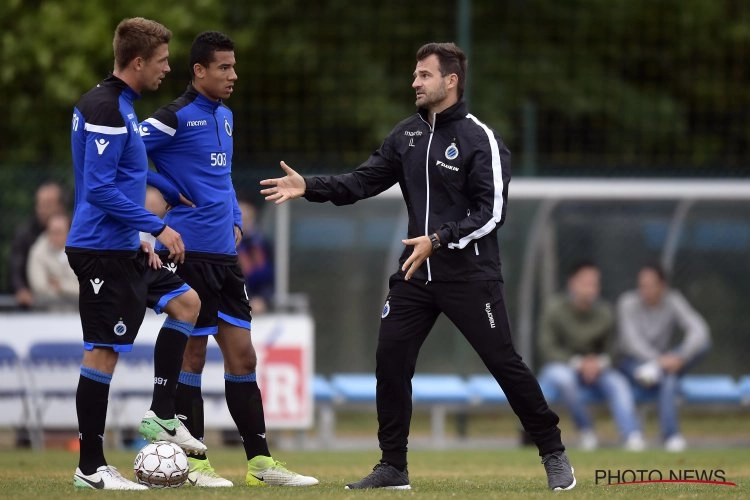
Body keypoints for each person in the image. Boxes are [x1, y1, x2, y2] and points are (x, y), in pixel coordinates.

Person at [260, 42, 576, 491]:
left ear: (451, 81)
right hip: (415, 274)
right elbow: (361, 181)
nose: (415, 82)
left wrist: (439, 239)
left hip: (470, 276)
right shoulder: (406, 135)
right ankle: (393, 466)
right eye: (415, 74)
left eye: (424, 75)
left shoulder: (479, 139)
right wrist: (308, 185)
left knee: (504, 363)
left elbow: (491, 213)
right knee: (390, 360)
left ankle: (553, 452)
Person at [141, 31, 318, 488]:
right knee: (194, 355)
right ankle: (195, 463)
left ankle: (260, 464)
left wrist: (236, 215)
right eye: (224, 67)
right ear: (199, 71)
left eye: (234, 66)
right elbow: (123, 156)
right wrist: (163, 193)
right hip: (190, 252)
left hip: (225, 255)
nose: (233, 75)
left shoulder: (227, 116)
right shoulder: (173, 116)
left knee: (243, 356)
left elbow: (220, 177)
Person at [67, 17, 206, 490]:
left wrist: (168, 192)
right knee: (103, 353)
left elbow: (128, 171)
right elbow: (101, 190)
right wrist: (158, 226)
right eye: (164, 61)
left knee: (187, 303)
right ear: (139, 61)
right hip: (100, 249)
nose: (168, 69)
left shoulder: (120, 104)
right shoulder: (105, 107)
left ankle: (162, 415)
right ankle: (91, 467)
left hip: (126, 246)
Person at [537, 261, 644, 451]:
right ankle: (587, 431)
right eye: (586, 283)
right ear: (572, 283)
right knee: (564, 379)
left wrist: (599, 364)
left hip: (598, 369)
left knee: (618, 384)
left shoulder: (605, 312)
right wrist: (578, 363)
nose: (591, 289)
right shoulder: (555, 308)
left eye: (595, 283)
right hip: (563, 366)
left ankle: (632, 434)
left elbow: (614, 349)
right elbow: (548, 346)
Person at [616, 263, 711, 452]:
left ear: (663, 286)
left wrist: (680, 356)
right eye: (642, 285)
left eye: (650, 285)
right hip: (632, 362)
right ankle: (670, 435)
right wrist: (660, 360)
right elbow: (630, 343)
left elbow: (700, 331)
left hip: (666, 363)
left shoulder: (673, 300)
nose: (645, 290)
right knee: (668, 376)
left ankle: (671, 436)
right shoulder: (627, 303)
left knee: (675, 370)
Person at [9, 181, 66, 309]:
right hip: (37, 304)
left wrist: (64, 287)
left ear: (60, 206)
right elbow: (15, 268)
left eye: (47, 205)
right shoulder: (26, 236)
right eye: (39, 204)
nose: (41, 209)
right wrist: (21, 289)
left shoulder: (74, 232)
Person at [26, 212, 79, 311]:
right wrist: (73, 292)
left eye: (59, 232)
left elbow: (87, 290)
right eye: (52, 232)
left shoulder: (81, 250)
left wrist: (62, 286)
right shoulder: (37, 252)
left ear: (69, 232)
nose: (55, 236)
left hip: (78, 316)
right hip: (47, 316)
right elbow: (40, 289)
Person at [236, 199, 274, 314]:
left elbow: (269, 276)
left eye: (247, 219)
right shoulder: (226, 245)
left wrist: (263, 299)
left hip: (259, 299)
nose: (244, 223)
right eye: (241, 219)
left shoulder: (262, 243)